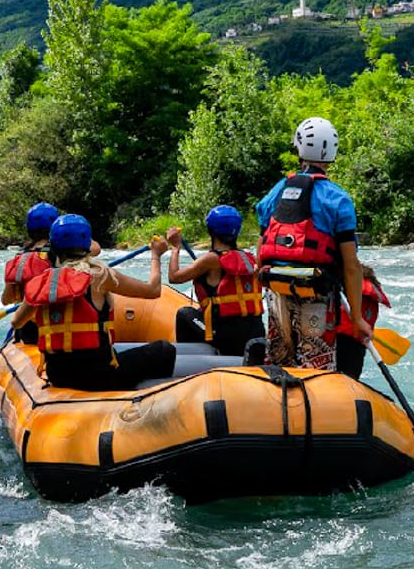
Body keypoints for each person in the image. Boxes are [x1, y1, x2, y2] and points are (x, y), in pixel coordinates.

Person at [255, 116, 372, 370]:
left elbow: (262, 247)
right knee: (314, 364)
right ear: (332, 152)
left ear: (299, 148)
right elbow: (351, 266)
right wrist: (356, 316)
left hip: (276, 290)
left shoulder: (276, 191)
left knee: (278, 362)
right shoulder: (338, 198)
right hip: (316, 295)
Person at [10, 214, 175, 391]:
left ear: (54, 247)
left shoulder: (43, 282)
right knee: (164, 349)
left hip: (58, 375)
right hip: (98, 376)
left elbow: (16, 322)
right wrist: (156, 256)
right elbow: (152, 290)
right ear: (87, 245)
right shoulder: (100, 276)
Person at [165, 206, 265, 363]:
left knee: (184, 314)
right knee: (201, 310)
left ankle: (192, 364)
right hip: (254, 333)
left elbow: (174, 277)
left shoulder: (211, 260)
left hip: (226, 338)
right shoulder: (248, 257)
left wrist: (175, 247)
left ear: (210, 231)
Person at [1, 202, 59, 344]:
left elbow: (6, 300)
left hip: (28, 332)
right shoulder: (61, 253)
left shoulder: (20, 257)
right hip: (55, 330)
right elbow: (95, 249)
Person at [335, 263, 390, 379]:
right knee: (351, 376)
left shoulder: (343, 285)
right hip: (357, 343)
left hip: (339, 340)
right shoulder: (370, 288)